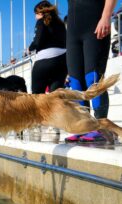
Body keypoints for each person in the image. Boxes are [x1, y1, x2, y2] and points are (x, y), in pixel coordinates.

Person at [65, 0, 118, 143]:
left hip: (95, 25)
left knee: (93, 79)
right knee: (76, 82)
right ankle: (84, 127)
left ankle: (102, 128)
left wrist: (106, 17)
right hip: (73, 33)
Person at [28, 1, 68, 95]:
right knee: (56, 96)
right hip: (62, 61)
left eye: (36, 14)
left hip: (44, 61)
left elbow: (38, 41)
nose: (35, 17)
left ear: (40, 13)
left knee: (37, 95)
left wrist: (30, 48)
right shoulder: (61, 23)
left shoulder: (41, 22)